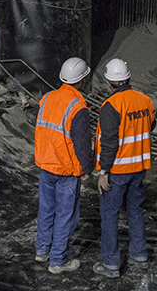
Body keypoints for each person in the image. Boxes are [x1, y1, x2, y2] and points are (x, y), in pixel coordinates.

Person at [92, 58, 155, 278]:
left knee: (109, 215)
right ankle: (140, 256)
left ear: (109, 82)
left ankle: (111, 264)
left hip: (117, 170)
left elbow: (109, 142)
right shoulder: (145, 100)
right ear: (128, 78)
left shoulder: (110, 106)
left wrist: (103, 172)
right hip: (139, 167)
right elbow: (150, 125)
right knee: (135, 211)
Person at [33, 56, 93, 274]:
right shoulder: (78, 106)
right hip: (66, 170)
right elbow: (82, 144)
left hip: (46, 166)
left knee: (46, 210)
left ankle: (41, 251)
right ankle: (58, 261)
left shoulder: (48, 98)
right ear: (82, 80)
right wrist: (86, 169)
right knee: (65, 216)